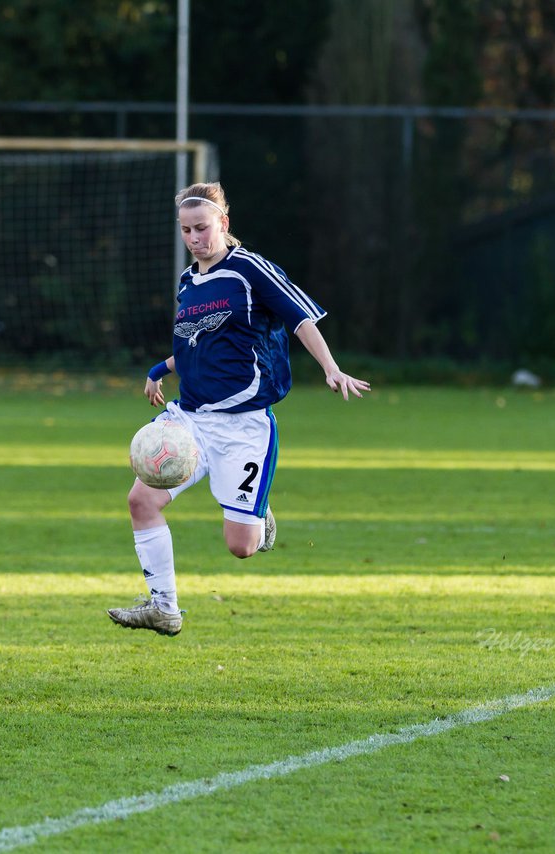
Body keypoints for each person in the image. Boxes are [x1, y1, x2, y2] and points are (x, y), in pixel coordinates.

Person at [108, 182, 370, 637]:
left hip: (244, 426)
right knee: (140, 501)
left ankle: (259, 512)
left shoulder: (250, 270)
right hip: (190, 418)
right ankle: (164, 607)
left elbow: (300, 318)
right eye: (186, 230)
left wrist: (331, 367)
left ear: (224, 224)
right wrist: (159, 368)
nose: (195, 238)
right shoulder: (189, 281)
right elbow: (199, 342)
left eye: (202, 228)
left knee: (241, 547)